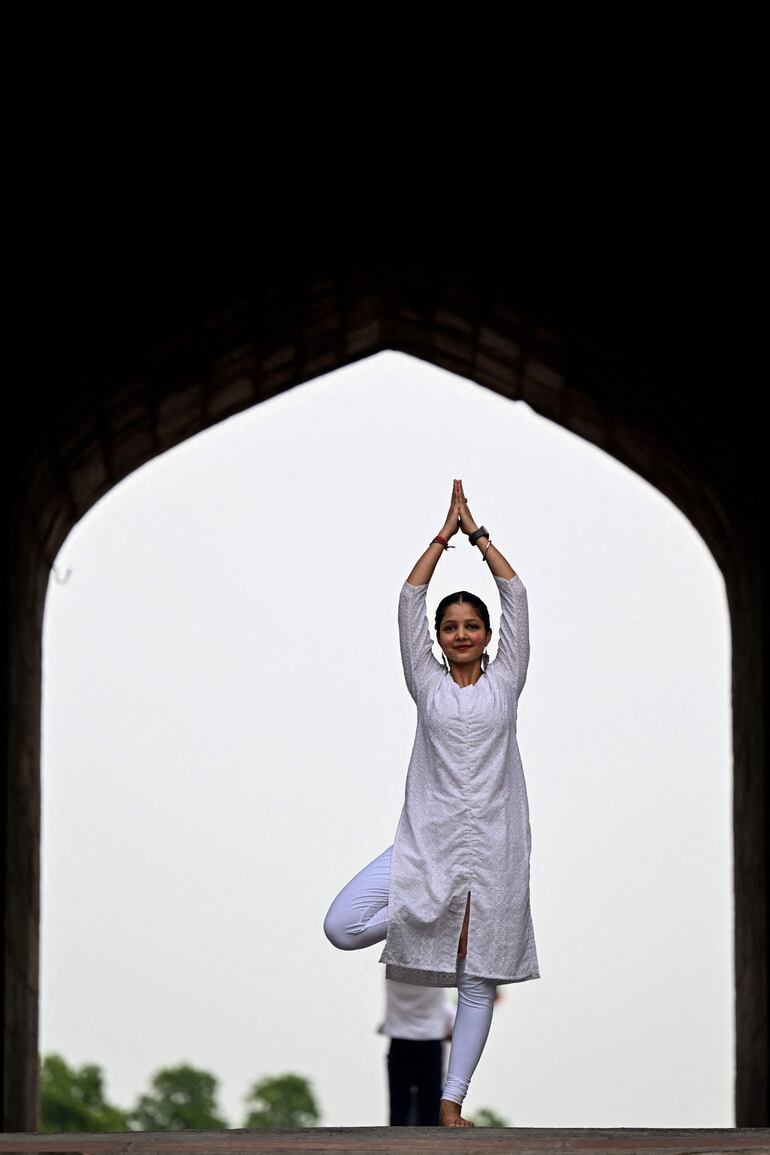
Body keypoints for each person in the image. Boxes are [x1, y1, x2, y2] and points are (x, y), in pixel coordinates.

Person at [324, 479, 539, 1128]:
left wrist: (481, 535)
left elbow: (518, 595)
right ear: (439, 639)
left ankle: (452, 1101)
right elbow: (409, 598)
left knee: (477, 977)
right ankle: (424, 918)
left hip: (494, 849)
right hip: (425, 847)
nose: (461, 632)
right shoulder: (427, 683)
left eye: (473, 625)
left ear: (488, 635)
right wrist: (442, 536)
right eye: (451, 626)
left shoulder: (507, 679)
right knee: (342, 925)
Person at [377, 978, 456, 1126]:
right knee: (430, 1109)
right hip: (431, 1041)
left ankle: (396, 1146)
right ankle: (431, 1146)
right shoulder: (437, 966)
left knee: (399, 1108)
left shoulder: (394, 964)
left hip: (400, 1040)